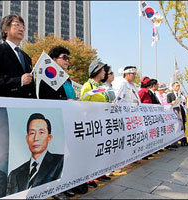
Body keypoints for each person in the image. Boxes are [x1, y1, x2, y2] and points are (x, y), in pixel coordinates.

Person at [39, 46, 76, 198]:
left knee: (68, 155)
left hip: (68, 118)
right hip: (55, 119)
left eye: (68, 58)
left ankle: (65, 184)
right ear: (54, 59)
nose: (67, 60)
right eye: (64, 57)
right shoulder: (47, 76)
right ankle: (54, 188)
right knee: (57, 156)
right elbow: (44, 98)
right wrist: (65, 100)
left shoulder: (66, 78)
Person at [7, 113, 64, 195]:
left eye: (41, 132)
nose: (36, 138)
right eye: (32, 133)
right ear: (27, 138)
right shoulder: (14, 175)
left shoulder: (60, 162)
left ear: (49, 137)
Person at [0, 14, 36, 98]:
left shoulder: (26, 57)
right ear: (5, 29)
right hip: (6, 104)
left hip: (27, 105)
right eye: (17, 25)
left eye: (23, 27)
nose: (21, 29)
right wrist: (19, 81)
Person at [80, 60, 111, 188]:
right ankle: (89, 177)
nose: (105, 73)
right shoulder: (88, 85)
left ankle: (100, 172)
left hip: (103, 122)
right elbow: (82, 103)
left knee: (101, 148)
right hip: (92, 124)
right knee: (92, 150)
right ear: (97, 71)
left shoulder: (102, 88)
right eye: (103, 70)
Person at [167, 82, 188, 146]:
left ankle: (184, 141)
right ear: (173, 87)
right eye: (176, 86)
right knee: (176, 127)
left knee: (183, 126)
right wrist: (172, 103)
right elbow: (167, 104)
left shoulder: (181, 95)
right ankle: (175, 141)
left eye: (178, 86)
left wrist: (185, 114)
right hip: (174, 112)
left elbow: (184, 105)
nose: (178, 87)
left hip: (181, 112)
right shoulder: (169, 95)